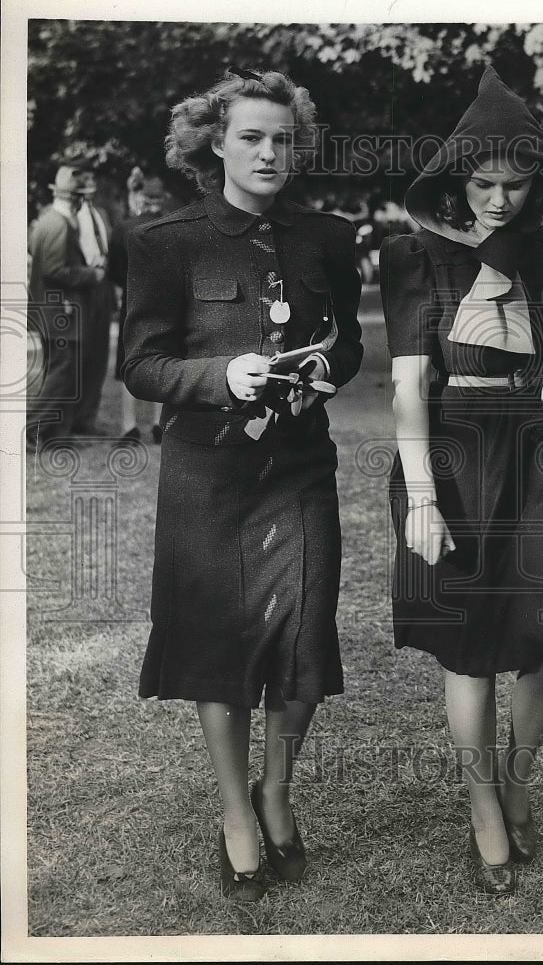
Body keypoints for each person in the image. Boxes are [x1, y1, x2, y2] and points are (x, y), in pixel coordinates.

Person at [122, 67, 363, 899]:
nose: (269, 152)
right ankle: (234, 813)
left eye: (282, 138)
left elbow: (349, 344)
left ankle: (275, 789)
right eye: (251, 136)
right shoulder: (164, 242)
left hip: (300, 470)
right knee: (216, 647)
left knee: (301, 639)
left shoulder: (329, 238)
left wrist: (326, 366)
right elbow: (141, 364)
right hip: (208, 476)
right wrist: (224, 372)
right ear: (213, 143)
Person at [380, 67, 543, 895]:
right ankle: (480, 811)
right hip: (456, 458)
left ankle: (514, 776)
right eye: (483, 183)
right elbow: (405, 385)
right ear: (455, 183)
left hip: (541, 452)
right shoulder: (414, 257)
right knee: (467, 650)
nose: (500, 199)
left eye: (515, 182)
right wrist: (423, 496)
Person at [27, 165, 107, 450]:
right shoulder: (59, 224)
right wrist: (91, 274)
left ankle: (54, 436)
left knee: (59, 372)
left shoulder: (47, 220)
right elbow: (53, 269)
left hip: (54, 313)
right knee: (62, 374)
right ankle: (31, 430)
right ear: (74, 199)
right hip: (61, 313)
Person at [107, 173, 168, 443]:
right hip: (166, 303)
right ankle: (158, 423)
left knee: (127, 362)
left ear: (142, 197)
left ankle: (129, 426)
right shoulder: (172, 225)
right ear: (162, 198)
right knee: (163, 360)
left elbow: (114, 270)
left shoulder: (124, 227)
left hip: (132, 302)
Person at [73, 166, 115, 435]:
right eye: (83, 180)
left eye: (91, 180)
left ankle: (88, 418)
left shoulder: (101, 214)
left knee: (99, 355)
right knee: (79, 355)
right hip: (81, 289)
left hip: (104, 288)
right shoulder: (70, 216)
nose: (89, 185)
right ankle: (71, 419)